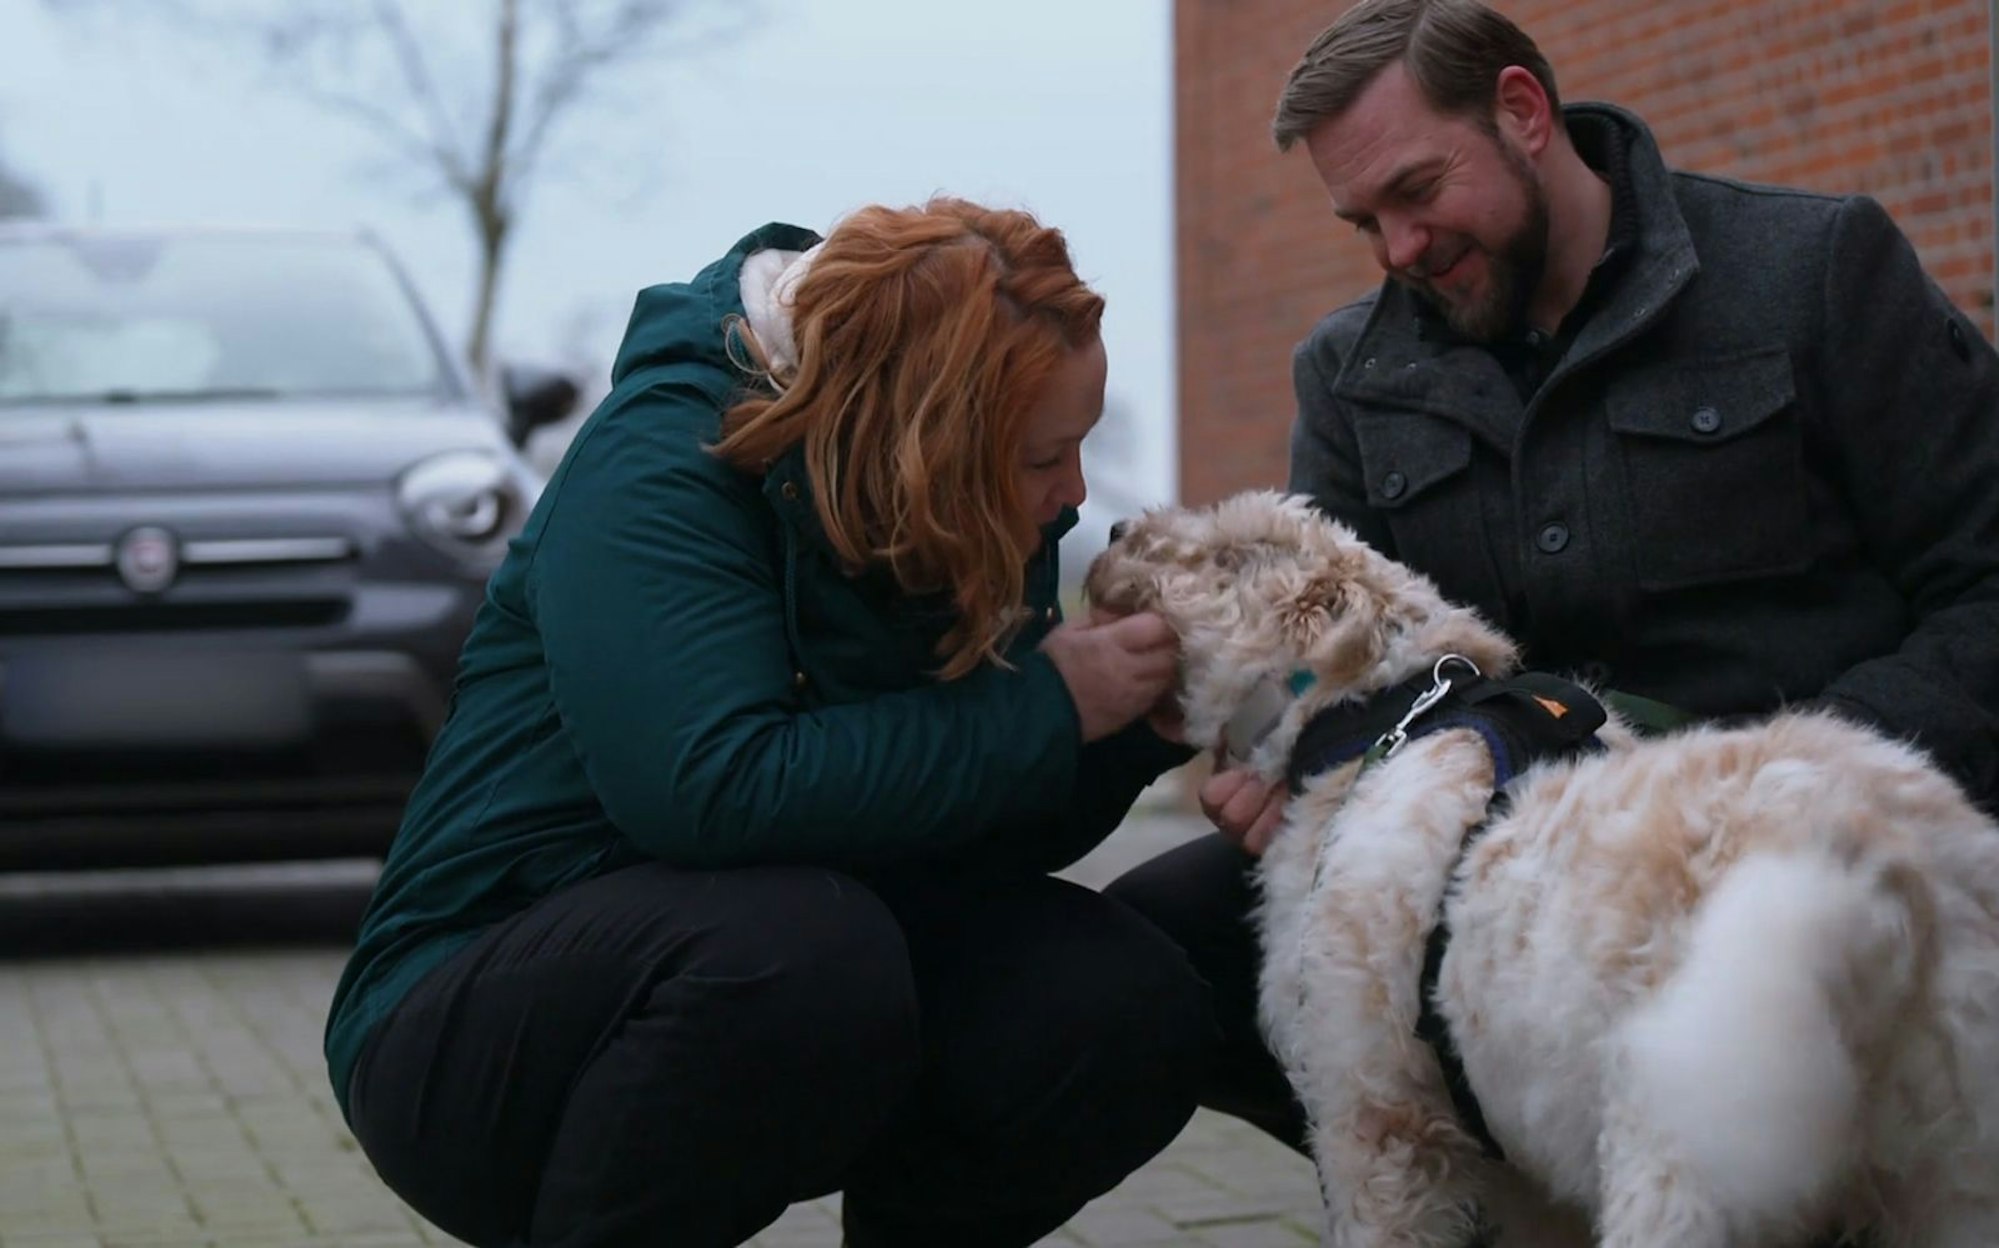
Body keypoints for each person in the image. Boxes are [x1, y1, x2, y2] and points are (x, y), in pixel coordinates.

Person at [1106, 0, 1999, 1157]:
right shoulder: (1349, 373)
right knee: (1152, 953)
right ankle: (1489, 1179)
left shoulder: (1813, 272)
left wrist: (1791, 782)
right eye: (1362, 221)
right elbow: (1346, 674)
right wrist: (1296, 763)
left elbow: (1983, 582)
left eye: (1417, 192)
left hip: (1814, 841)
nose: (1398, 251)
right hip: (1501, 883)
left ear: (1523, 113)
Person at [324, 197, 1214, 1248]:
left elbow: (970, 830)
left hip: (805, 979)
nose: (1069, 494)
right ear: (921, 432)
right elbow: (711, 792)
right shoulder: (659, 461)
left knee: (1115, 999)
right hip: (479, 1022)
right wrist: (1047, 705)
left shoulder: (955, 492)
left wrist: (1129, 730)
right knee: (801, 954)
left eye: (1078, 448)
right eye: (1036, 460)